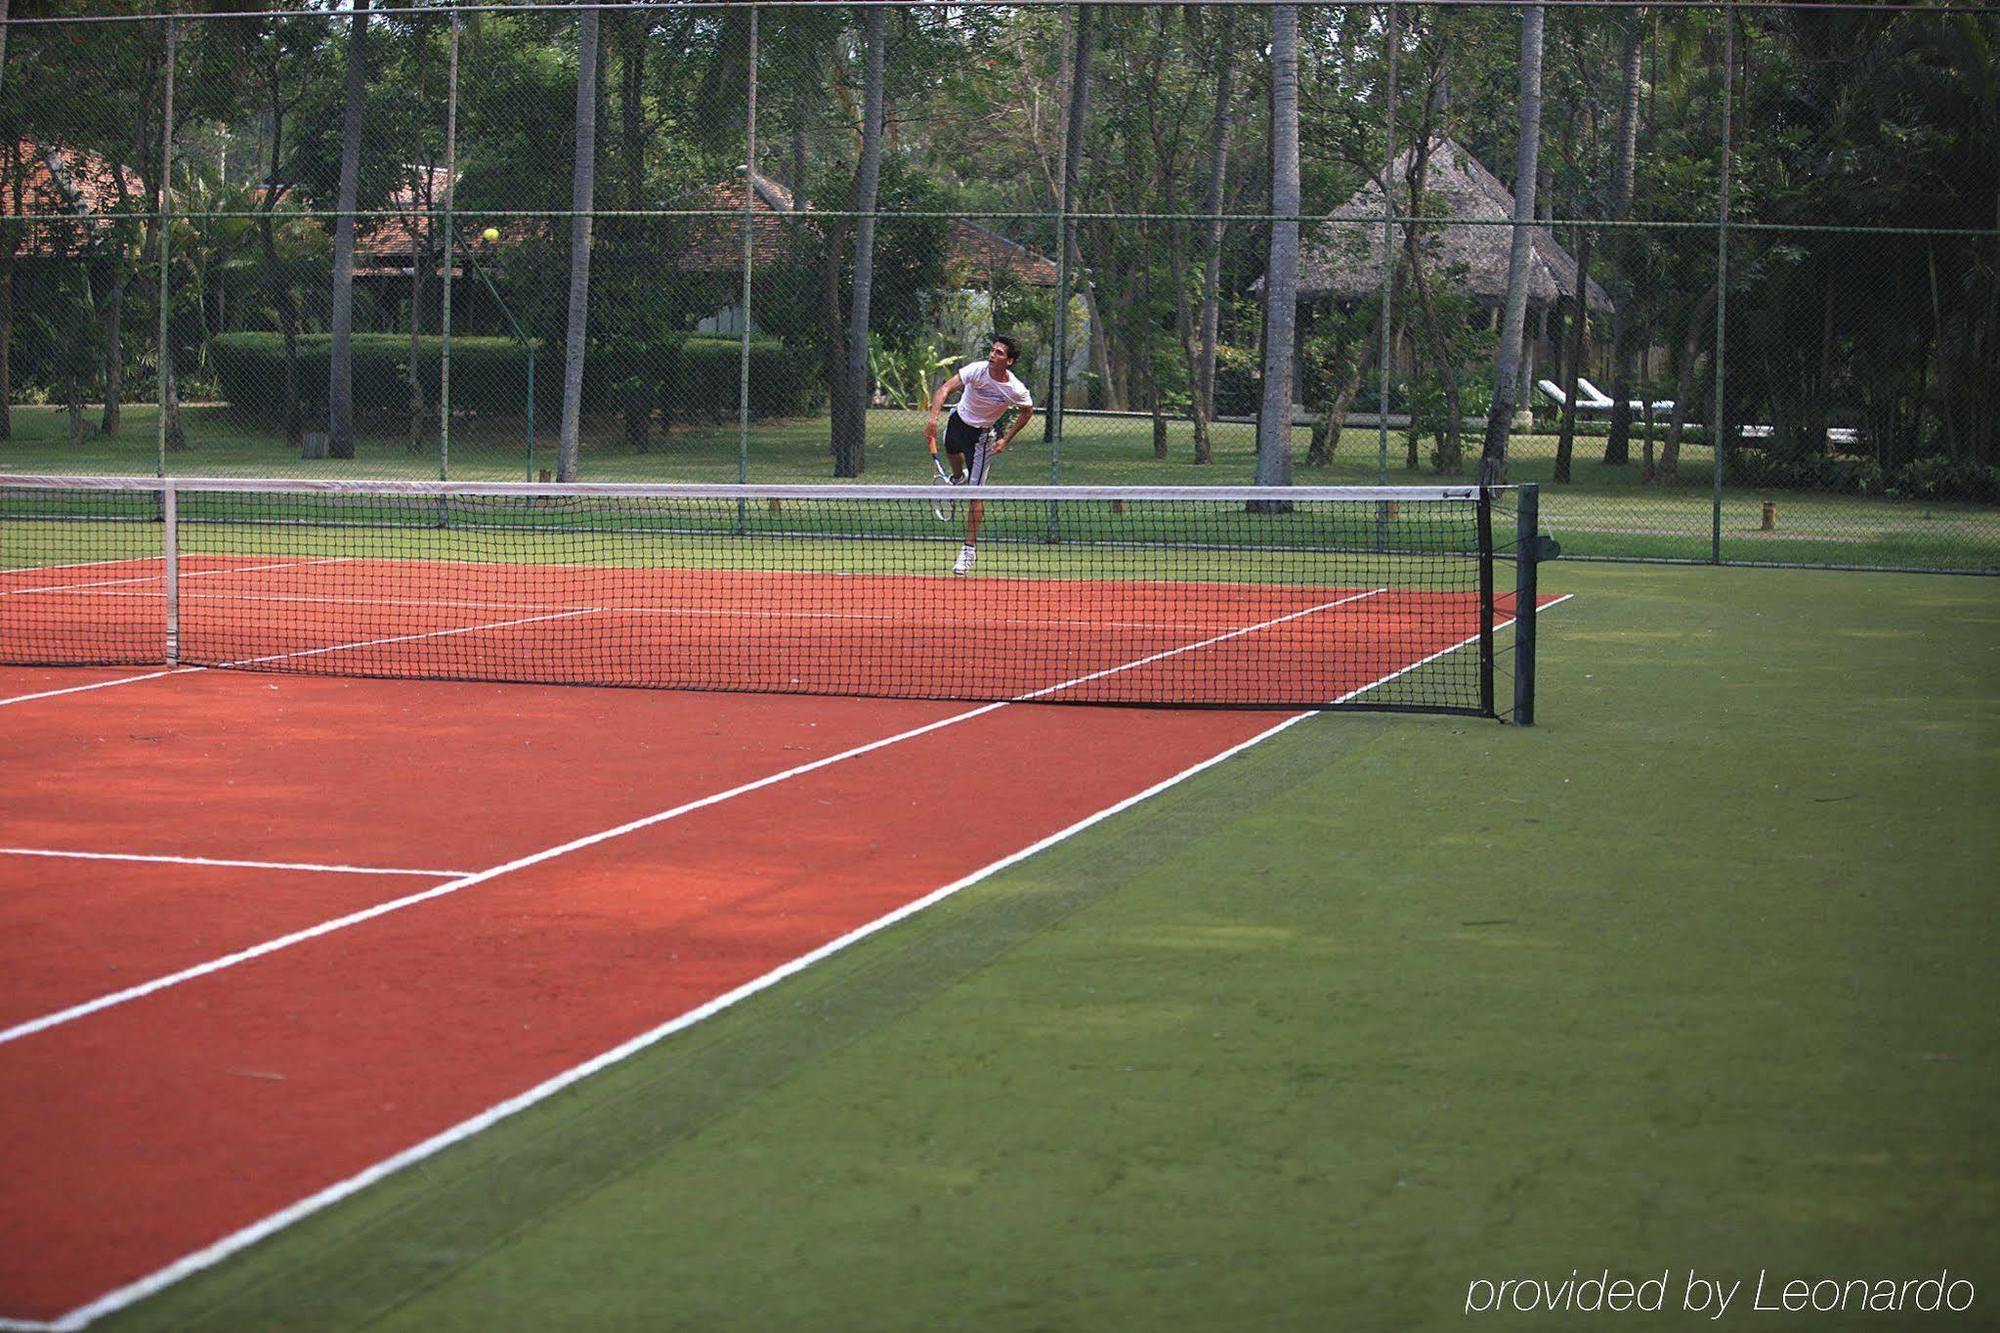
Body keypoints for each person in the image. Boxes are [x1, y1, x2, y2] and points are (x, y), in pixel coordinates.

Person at [924, 335, 1035, 573]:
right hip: (957, 423)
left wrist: (1006, 438)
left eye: (999, 353)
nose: (992, 355)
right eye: (992, 350)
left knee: (977, 493)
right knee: (952, 453)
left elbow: (1027, 412)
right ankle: (958, 478)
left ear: (1010, 361)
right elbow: (945, 388)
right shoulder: (976, 370)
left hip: (981, 439)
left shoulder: (1015, 389)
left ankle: (968, 550)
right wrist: (933, 419)